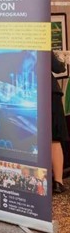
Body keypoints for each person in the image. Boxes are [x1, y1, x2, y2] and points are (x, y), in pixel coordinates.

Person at [51, 52, 69, 194]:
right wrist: (61, 58)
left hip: (24, 92)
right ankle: (58, 181)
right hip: (49, 94)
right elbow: (58, 68)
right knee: (54, 138)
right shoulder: (40, 42)